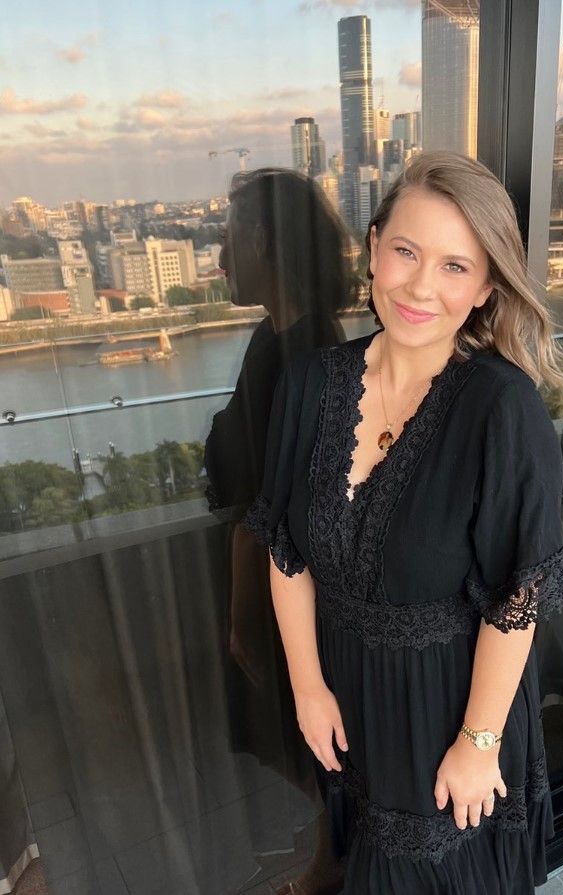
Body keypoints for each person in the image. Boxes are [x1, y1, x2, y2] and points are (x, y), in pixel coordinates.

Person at [241, 151, 563, 894]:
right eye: (406, 251)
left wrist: (478, 742)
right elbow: (285, 549)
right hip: (349, 695)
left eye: (455, 266)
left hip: (449, 709)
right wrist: (308, 689)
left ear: (485, 287)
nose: (421, 286)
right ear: (373, 249)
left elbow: (516, 597)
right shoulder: (309, 384)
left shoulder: (501, 408)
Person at [204, 167, 354, 894]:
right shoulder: (299, 337)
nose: (220, 259)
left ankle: (334, 857)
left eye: (229, 239)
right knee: (299, 728)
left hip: (281, 582)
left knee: (290, 728)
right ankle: (336, 849)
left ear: (263, 240)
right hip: (297, 574)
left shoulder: (293, 354)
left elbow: (258, 508)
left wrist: (240, 618)